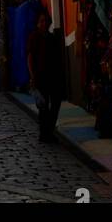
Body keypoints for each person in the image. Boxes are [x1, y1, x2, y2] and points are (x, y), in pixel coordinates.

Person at [27, 9, 66, 143]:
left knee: (55, 104)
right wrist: (32, 76)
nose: (44, 24)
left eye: (45, 21)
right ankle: (44, 134)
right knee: (43, 108)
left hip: (54, 77)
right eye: (41, 21)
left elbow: (58, 59)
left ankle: (48, 131)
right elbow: (30, 58)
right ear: (37, 23)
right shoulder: (34, 37)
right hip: (40, 77)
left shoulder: (53, 38)